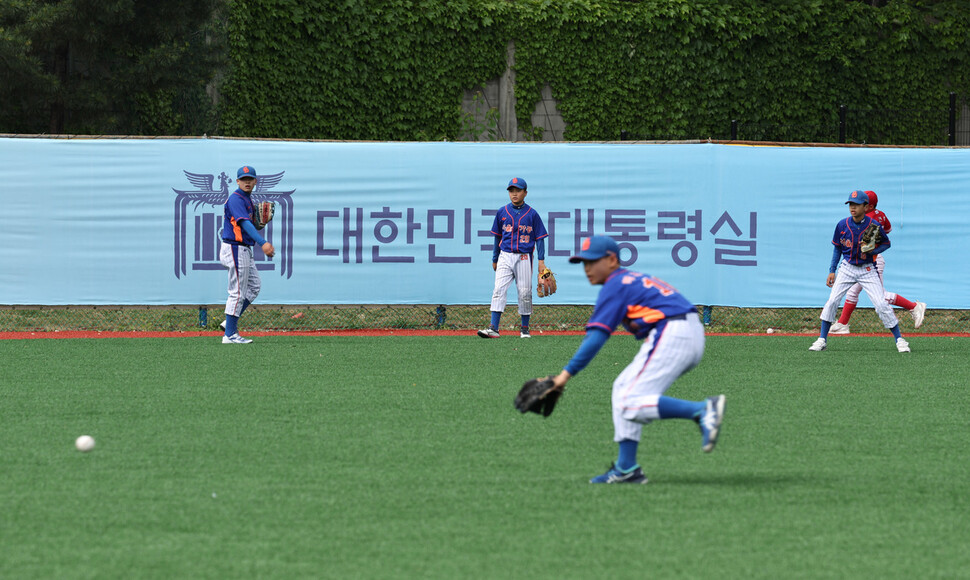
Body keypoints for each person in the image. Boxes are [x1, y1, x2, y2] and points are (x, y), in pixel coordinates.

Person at [544, 235, 725, 484]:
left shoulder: (615, 284)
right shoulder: (628, 280)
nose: (587, 268)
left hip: (674, 333)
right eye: (583, 263)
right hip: (681, 331)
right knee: (622, 389)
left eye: (592, 261)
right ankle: (626, 468)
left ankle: (701, 411)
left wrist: (563, 377)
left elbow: (596, 338)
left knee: (629, 403)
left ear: (611, 259)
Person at [810, 190, 909, 353]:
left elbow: (887, 243)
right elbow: (837, 249)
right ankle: (822, 339)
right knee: (833, 300)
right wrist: (832, 270)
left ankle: (899, 339)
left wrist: (873, 250)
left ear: (865, 206)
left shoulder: (873, 225)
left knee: (881, 303)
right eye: (850, 204)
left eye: (856, 204)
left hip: (867, 269)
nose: (852, 208)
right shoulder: (842, 224)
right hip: (847, 268)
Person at [829, 190, 926, 334]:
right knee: (852, 292)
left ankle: (914, 306)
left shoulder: (867, 220)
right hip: (864, 261)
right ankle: (843, 323)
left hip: (871, 261)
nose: (856, 206)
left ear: (869, 206)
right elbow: (888, 229)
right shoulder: (880, 215)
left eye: (862, 203)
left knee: (881, 296)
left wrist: (870, 245)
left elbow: (869, 245)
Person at [477, 177, 548, 339]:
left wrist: (541, 261)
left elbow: (540, 238)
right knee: (498, 289)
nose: (514, 194)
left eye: (518, 190)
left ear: (525, 193)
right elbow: (497, 237)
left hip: (524, 257)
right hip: (505, 256)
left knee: (524, 292)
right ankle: (493, 328)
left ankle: (524, 329)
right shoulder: (502, 212)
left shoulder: (532, 214)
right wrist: (495, 258)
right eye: (511, 191)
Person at [219, 165, 275, 344]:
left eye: (250, 179)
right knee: (237, 292)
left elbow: (250, 225)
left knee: (254, 286)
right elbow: (244, 225)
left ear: (255, 181)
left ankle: (229, 323)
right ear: (237, 182)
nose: (247, 182)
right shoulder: (236, 199)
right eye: (243, 179)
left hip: (243, 249)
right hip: (235, 248)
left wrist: (260, 224)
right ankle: (229, 334)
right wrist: (263, 242)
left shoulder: (248, 200)